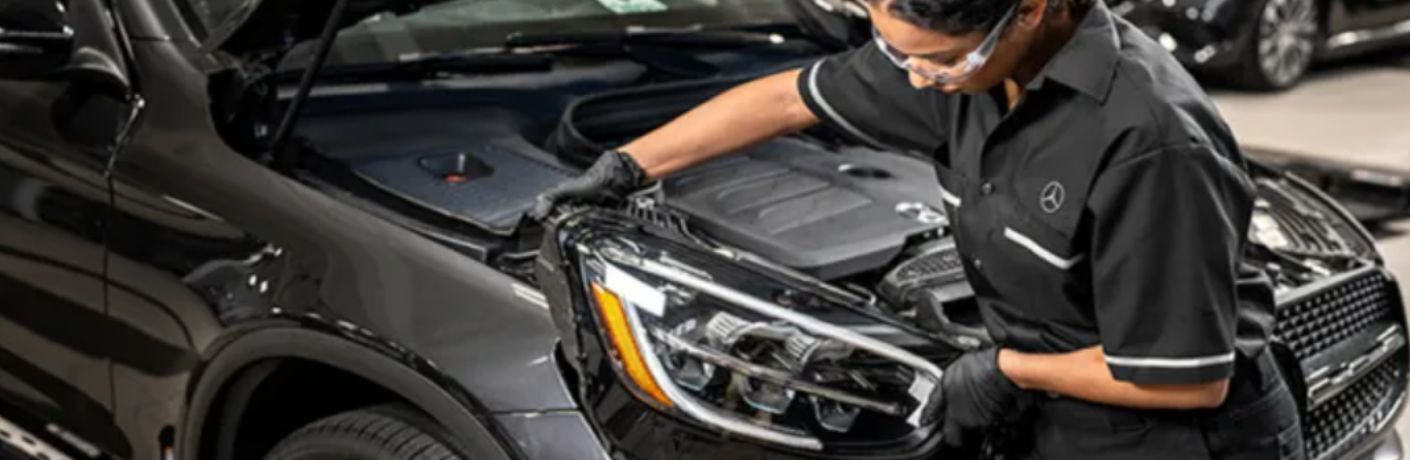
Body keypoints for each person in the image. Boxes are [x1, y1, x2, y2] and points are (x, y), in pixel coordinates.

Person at [533, 0, 1304, 458]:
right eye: (893, 50)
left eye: (930, 61)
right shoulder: (966, 59)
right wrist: (630, 164)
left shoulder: (1148, 141)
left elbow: (1186, 377)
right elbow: (787, 100)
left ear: (1030, 9)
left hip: (1177, 438)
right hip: (1057, 408)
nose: (912, 78)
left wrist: (1006, 370)